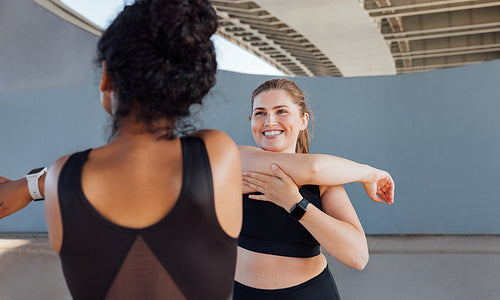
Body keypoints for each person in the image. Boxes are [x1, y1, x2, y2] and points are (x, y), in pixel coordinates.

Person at [2, 0, 243, 299]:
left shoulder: (64, 176)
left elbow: (111, 175)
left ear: (106, 76)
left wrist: (27, 187)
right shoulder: (217, 154)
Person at [232, 78, 394, 299]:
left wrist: (295, 204)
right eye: (260, 113)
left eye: (281, 111)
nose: (269, 121)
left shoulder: (326, 181)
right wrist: (370, 173)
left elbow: (358, 257)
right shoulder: (241, 158)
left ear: (302, 120)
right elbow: (313, 167)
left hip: (310, 293)